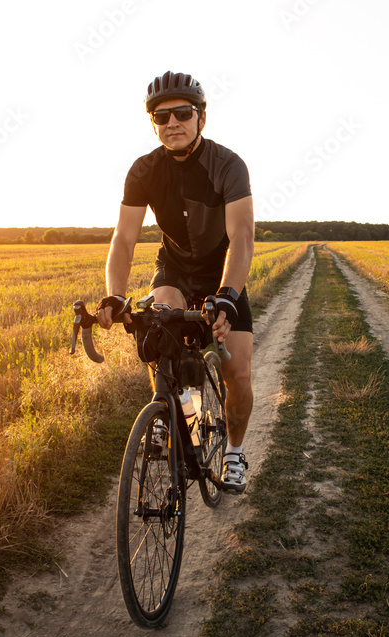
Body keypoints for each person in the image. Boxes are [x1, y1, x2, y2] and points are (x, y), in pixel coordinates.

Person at [95, 70, 255, 494]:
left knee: (237, 373)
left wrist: (227, 297)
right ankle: (169, 412)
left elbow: (241, 236)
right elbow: (124, 238)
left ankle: (234, 453)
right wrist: (115, 292)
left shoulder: (228, 165)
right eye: (161, 118)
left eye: (182, 114)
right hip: (175, 270)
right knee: (159, 321)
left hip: (222, 274)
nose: (172, 124)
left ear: (202, 117)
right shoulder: (144, 170)